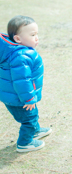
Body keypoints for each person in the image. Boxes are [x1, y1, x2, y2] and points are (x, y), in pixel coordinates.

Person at [0, 15, 52, 152]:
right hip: (20, 98)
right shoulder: (20, 56)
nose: (37, 38)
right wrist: (28, 98)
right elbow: (22, 81)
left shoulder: (17, 52)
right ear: (18, 39)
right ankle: (25, 142)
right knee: (28, 119)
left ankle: (36, 130)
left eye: (37, 34)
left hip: (17, 96)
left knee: (32, 114)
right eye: (33, 35)